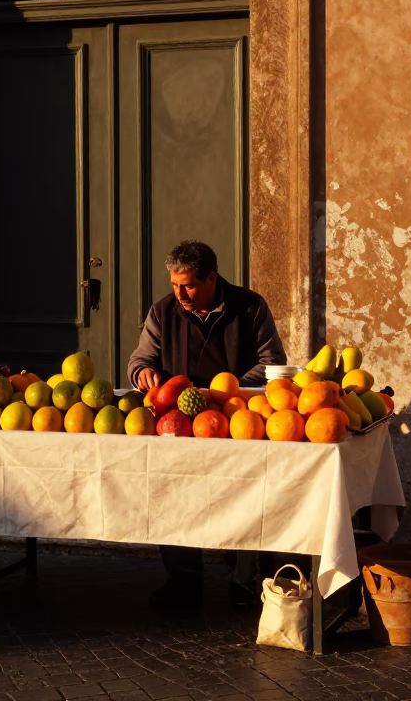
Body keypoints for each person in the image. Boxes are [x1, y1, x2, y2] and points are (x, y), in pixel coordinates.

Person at [128, 240, 287, 609]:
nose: (179, 293)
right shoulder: (162, 312)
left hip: (237, 422)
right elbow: (139, 358)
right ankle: (183, 580)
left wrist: (222, 392)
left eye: (188, 285)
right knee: (174, 497)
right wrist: (144, 373)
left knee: (243, 498)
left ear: (211, 278)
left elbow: (272, 361)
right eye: (174, 285)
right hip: (177, 426)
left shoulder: (250, 307)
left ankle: (245, 582)